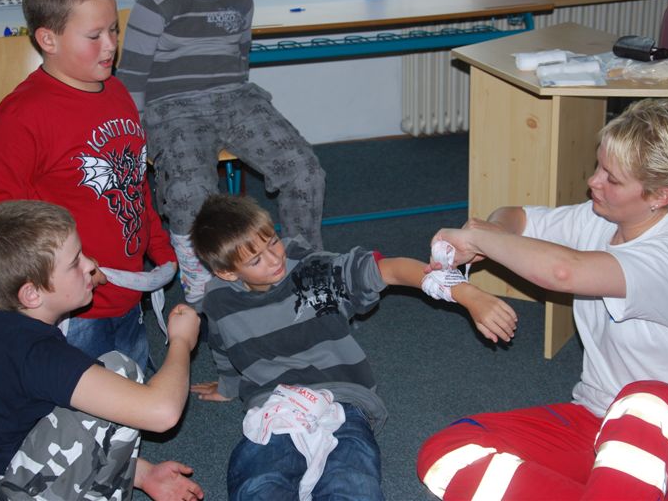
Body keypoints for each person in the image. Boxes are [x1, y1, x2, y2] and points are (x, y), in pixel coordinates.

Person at [417, 98, 668, 499]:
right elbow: (516, 216)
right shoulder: (598, 219)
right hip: (598, 421)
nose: (593, 182)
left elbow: (564, 271)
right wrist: (493, 234)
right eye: (599, 165)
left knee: (647, 402)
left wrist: (479, 240)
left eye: (612, 178)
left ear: (660, 196)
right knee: (448, 453)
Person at [187, 194, 517, 500]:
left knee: (352, 482)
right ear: (226, 272)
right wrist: (228, 387)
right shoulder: (218, 299)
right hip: (275, 408)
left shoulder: (312, 272)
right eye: (256, 259)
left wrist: (468, 294)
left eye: (273, 241)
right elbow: (224, 346)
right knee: (259, 483)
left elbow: (390, 270)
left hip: (342, 400)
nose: (275, 259)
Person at [0, 0, 176, 372]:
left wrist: (158, 244)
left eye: (114, 30)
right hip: (73, 311)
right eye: (94, 36)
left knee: (129, 384)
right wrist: (62, 270)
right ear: (48, 39)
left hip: (127, 292)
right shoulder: (21, 119)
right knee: (75, 405)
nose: (110, 46)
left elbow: (133, 182)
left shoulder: (116, 91)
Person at [0, 200, 204, 501]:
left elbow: (29, 419)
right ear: (32, 294)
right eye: (75, 262)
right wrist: (181, 341)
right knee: (119, 370)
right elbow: (162, 412)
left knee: (78, 393)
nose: (90, 265)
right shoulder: (36, 353)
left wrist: (142, 473)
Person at [117, 0, 326, 305]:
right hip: (173, 106)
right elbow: (132, 76)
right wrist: (135, 136)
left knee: (304, 171)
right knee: (189, 191)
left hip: (235, 98)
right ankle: (203, 283)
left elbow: (240, 58)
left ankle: (302, 266)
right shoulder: (156, 0)